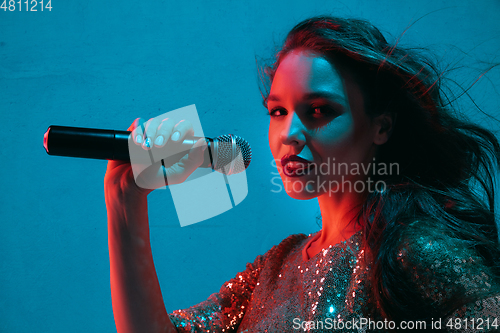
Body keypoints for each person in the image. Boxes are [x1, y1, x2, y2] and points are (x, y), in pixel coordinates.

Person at [104, 16, 500, 332]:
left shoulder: (415, 251)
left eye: (319, 111)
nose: (289, 134)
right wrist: (124, 201)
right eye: (278, 112)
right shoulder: (276, 267)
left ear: (381, 127)